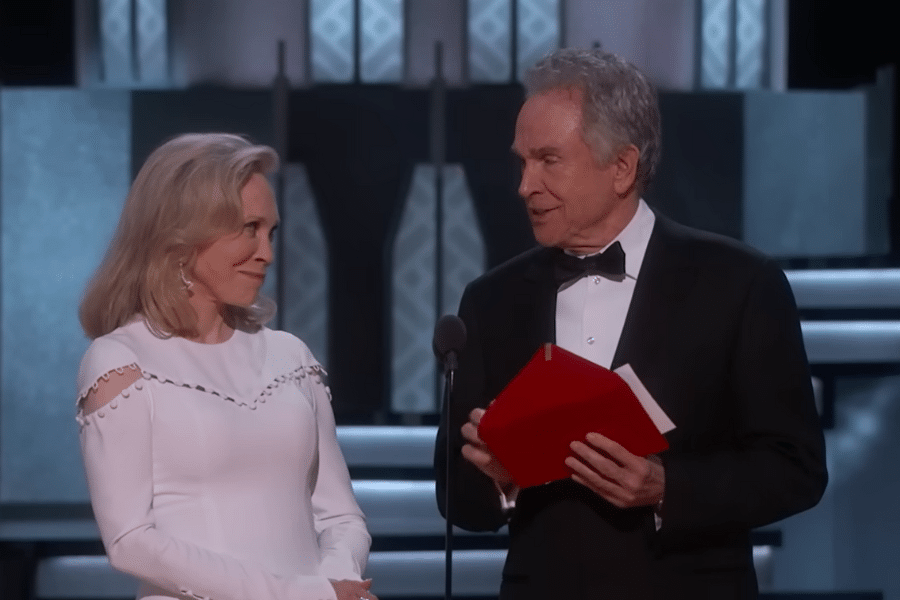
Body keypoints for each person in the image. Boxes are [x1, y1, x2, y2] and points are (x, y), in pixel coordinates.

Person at [435, 48, 827, 599]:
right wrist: (500, 479)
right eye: (522, 162)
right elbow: (454, 495)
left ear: (622, 166)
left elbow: (796, 468)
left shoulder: (739, 283)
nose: (525, 185)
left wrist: (668, 487)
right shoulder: (491, 301)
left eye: (549, 160)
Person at [77, 133, 376, 600]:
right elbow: (129, 540)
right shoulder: (121, 362)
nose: (267, 253)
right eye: (249, 228)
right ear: (183, 234)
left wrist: (336, 583)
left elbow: (340, 517)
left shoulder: (291, 357)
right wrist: (299, 595)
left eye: (271, 232)